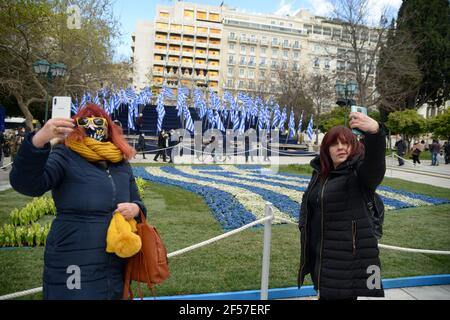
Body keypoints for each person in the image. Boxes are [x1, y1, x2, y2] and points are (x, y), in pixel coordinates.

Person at [9, 103, 147, 300]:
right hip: (73, 258)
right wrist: (39, 140)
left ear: (108, 126)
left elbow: (138, 202)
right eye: (85, 122)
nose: (93, 126)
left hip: (115, 260)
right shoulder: (65, 155)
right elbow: (28, 184)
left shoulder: (120, 163)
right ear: (76, 126)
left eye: (99, 122)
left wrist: (135, 208)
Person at [298, 111, 385, 300]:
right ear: (326, 149)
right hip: (321, 257)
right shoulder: (320, 175)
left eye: (345, 143)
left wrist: (376, 134)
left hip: (345, 263)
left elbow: (375, 168)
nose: (341, 147)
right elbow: (310, 206)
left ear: (353, 146)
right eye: (334, 144)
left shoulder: (359, 175)